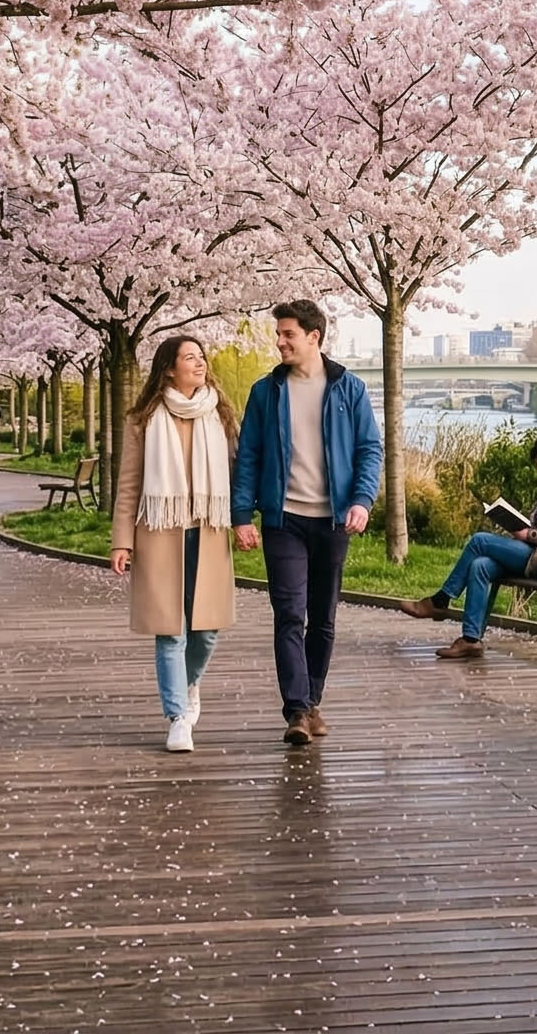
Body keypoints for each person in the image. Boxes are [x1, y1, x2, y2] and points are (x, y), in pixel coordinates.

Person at [230, 299, 382, 746]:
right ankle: (297, 709)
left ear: (314, 337)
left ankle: (312, 700)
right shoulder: (266, 392)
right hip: (284, 520)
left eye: (288, 334)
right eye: (278, 334)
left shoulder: (348, 388)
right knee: (289, 614)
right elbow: (249, 458)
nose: (279, 342)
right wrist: (242, 514)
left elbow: (369, 450)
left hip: (333, 521)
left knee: (324, 619)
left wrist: (362, 501)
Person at [112, 335, 248, 753]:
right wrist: (122, 541)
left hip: (208, 531)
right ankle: (177, 719)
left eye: (201, 356)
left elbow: (241, 472)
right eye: (190, 357)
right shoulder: (144, 419)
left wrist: (245, 519)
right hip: (159, 534)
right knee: (171, 630)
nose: (200, 362)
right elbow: (130, 483)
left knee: (205, 632)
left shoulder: (220, 416)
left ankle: (189, 685)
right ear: (169, 368)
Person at [400, 430, 537, 660]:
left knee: (479, 540)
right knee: (480, 566)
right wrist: (520, 527)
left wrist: (530, 535)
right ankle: (471, 640)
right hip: (535, 551)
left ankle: (440, 601)